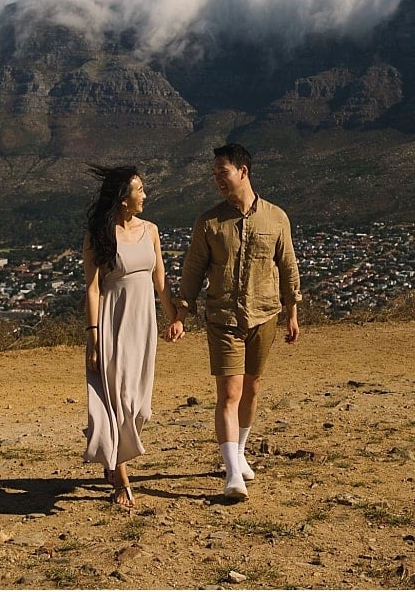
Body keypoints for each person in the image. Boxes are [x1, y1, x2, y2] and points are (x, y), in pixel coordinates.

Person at [165, 143, 301, 502]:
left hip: (264, 315)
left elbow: (287, 267)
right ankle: (230, 474)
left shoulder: (276, 218)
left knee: (252, 389)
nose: (217, 180)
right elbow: (193, 270)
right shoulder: (208, 222)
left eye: (221, 173)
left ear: (243, 171)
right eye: (214, 174)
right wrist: (181, 314)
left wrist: (292, 311)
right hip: (222, 317)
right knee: (229, 393)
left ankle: (239, 452)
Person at [82, 164, 176, 509]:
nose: (145, 196)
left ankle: (108, 446)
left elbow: (160, 280)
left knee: (140, 407)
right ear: (123, 199)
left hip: (144, 323)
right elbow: (92, 289)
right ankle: (120, 477)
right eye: (140, 190)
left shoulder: (151, 230)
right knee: (116, 399)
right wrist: (93, 336)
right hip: (111, 321)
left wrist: (175, 317)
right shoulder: (98, 234)